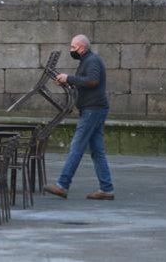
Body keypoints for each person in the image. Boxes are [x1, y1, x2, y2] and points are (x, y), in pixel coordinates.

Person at [43, 34, 114, 200]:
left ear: (82, 47)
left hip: (92, 110)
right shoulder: (87, 61)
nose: (71, 50)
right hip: (94, 109)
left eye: (73, 47)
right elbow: (85, 81)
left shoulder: (92, 61)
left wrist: (69, 78)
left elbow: (93, 81)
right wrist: (68, 81)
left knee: (77, 147)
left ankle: (63, 185)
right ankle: (107, 188)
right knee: (97, 151)